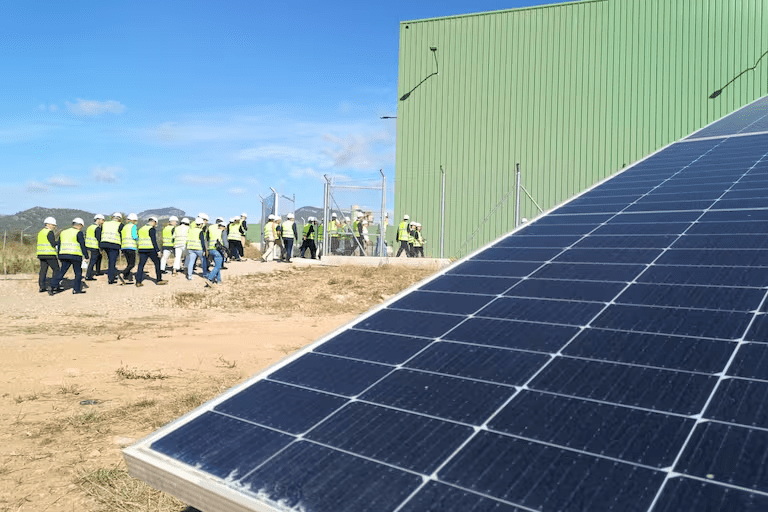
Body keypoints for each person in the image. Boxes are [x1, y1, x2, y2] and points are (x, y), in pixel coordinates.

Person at [48, 218, 88, 295]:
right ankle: (76, 289)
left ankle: (52, 286)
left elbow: (59, 244)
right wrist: (86, 256)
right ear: (79, 225)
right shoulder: (78, 233)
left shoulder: (63, 232)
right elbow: (82, 245)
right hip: (75, 255)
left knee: (62, 271)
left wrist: (59, 254)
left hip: (63, 255)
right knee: (78, 272)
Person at [135, 216, 168, 287]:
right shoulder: (151, 229)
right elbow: (154, 241)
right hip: (150, 248)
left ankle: (138, 281)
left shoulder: (141, 229)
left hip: (141, 248)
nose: (155, 225)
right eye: (155, 223)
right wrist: (158, 251)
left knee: (141, 265)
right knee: (157, 263)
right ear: (153, 222)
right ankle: (159, 280)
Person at [36, 217, 59, 293]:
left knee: (43, 270)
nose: (54, 227)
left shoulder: (41, 232)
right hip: (50, 254)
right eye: (53, 225)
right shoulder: (49, 232)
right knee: (56, 270)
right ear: (48, 224)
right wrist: (59, 243)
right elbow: (52, 243)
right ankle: (54, 286)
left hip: (41, 254)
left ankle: (42, 287)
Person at [100, 212, 124, 284]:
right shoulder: (120, 225)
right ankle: (111, 278)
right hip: (114, 244)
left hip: (104, 243)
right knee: (112, 261)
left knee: (110, 260)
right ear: (119, 219)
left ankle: (112, 273)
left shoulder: (105, 223)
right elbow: (122, 235)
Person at [118, 213, 139, 284]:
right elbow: (134, 236)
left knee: (129, 263)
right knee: (132, 264)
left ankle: (126, 276)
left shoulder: (124, 227)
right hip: (131, 246)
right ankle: (123, 273)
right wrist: (138, 240)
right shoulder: (133, 226)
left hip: (124, 247)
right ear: (134, 220)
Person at [206, 220, 227, 286]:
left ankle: (218, 281)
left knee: (217, 265)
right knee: (218, 266)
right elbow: (225, 241)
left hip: (211, 249)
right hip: (217, 250)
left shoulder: (212, 229)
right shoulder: (222, 231)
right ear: (223, 227)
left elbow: (206, 238)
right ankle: (209, 279)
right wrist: (226, 251)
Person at [84, 214, 104, 280]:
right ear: (98, 220)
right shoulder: (97, 228)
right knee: (93, 261)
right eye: (102, 220)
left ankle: (98, 271)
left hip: (88, 245)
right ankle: (88, 275)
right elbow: (99, 238)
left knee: (99, 257)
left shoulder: (90, 227)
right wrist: (101, 247)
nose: (103, 221)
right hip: (94, 246)